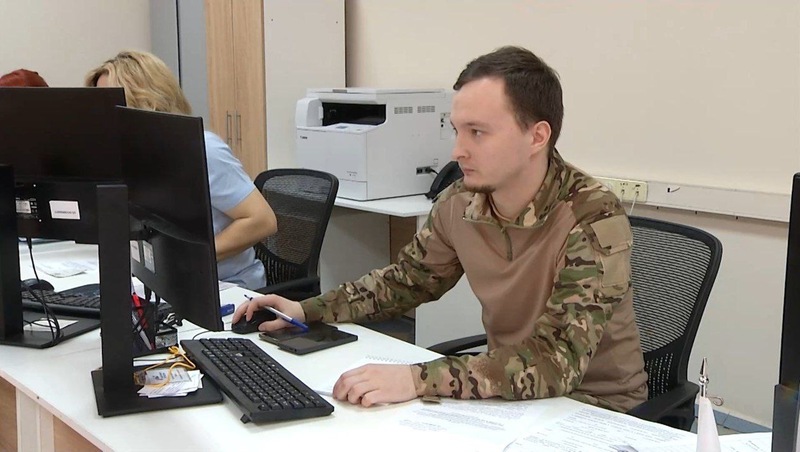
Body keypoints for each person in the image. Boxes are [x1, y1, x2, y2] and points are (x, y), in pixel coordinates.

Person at [234, 46, 648, 412]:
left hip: (597, 407)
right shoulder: (460, 202)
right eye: (456, 130)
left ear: (537, 136)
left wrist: (417, 379)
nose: (457, 150)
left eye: (477, 132)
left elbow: (557, 361)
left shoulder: (591, 215)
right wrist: (306, 310)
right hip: (510, 396)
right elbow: (405, 282)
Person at [85, 50, 277, 290]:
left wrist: (191, 262)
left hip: (226, 287)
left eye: (111, 103)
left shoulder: (202, 149)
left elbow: (262, 221)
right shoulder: (136, 155)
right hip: (168, 284)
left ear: (146, 100)